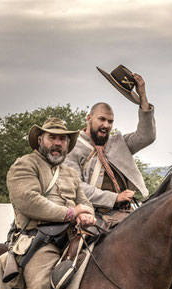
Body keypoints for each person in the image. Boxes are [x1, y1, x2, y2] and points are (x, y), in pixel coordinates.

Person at [6, 117, 96, 289]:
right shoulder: (24, 165)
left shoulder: (70, 172)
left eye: (63, 139)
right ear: (40, 140)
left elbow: (84, 200)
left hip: (74, 238)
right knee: (40, 287)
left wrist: (87, 213)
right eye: (52, 138)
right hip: (39, 239)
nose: (58, 143)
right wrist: (72, 213)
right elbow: (29, 202)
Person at [64, 71, 156, 225]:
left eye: (110, 121)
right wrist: (114, 198)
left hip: (124, 211)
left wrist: (143, 99)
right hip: (91, 213)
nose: (106, 125)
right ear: (89, 118)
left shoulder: (118, 143)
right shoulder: (72, 147)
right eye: (101, 119)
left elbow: (147, 136)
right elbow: (76, 186)